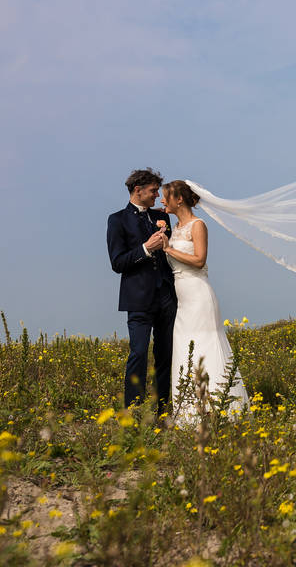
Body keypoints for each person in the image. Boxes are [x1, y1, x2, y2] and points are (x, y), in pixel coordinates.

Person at [160, 180, 250, 420]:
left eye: (165, 196)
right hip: (183, 300)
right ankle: (190, 413)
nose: (161, 200)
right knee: (184, 347)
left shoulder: (198, 225)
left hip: (199, 295)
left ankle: (220, 409)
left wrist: (168, 249)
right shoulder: (175, 227)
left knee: (206, 345)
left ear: (179, 199)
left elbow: (200, 260)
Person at [106, 168, 176, 416]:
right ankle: (133, 412)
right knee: (138, 353)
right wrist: (145, 249)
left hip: (167, 297)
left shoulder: (162, 218)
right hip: (138, 298)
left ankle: (163, 411)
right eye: (153, 191)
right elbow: (117, 263)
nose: (158, 196)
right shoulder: (116, 220)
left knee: (165, 354)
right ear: (138, 190)